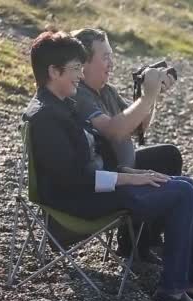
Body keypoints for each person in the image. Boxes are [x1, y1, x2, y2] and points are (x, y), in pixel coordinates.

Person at [24, 30, 193, 301]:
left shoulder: (62, 105)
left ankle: (189, 283)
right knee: (181, 192)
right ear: (53, 71)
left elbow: (95, 155)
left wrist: (128, 169)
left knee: (187, 185)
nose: (79, 76)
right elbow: (74, 180)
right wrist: (130, 178)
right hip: (77, 203)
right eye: (73, 70)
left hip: (93, 188)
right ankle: (172, 289)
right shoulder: (46, 117)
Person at [70, 28, 180, 261]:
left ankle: (143, 241)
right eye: (105, 57)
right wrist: (147, 97)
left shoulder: (106, 91)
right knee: (172, 181)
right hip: (109, 176)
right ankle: (132, 246)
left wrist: (150, 93)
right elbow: (116, 131)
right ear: (84, 63)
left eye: (111, 55)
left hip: (124, 165)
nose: (111, 63)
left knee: (169, 156)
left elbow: (139, 126)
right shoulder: (79, 94)